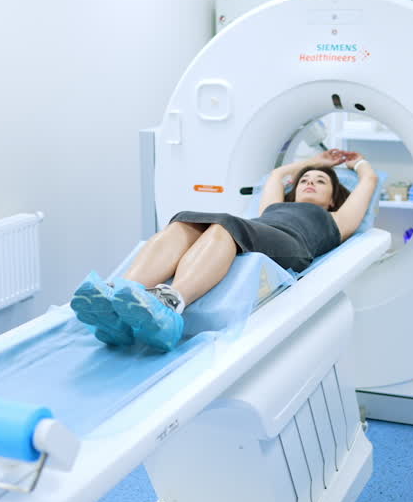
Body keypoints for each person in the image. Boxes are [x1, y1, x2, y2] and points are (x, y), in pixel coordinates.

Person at [70, 149, 378, 352]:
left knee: (226, 225)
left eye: (320, 181)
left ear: (333, 199)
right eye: (304, 180)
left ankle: (169, 308)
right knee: (185, 222)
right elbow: (276, 176)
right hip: (252, 231)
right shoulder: (273, 205)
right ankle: (119, 298)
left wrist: (355, 163)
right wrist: (316, 162)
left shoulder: (337, 219)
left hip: (292, 245)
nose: (309, 182)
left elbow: (370, 180)